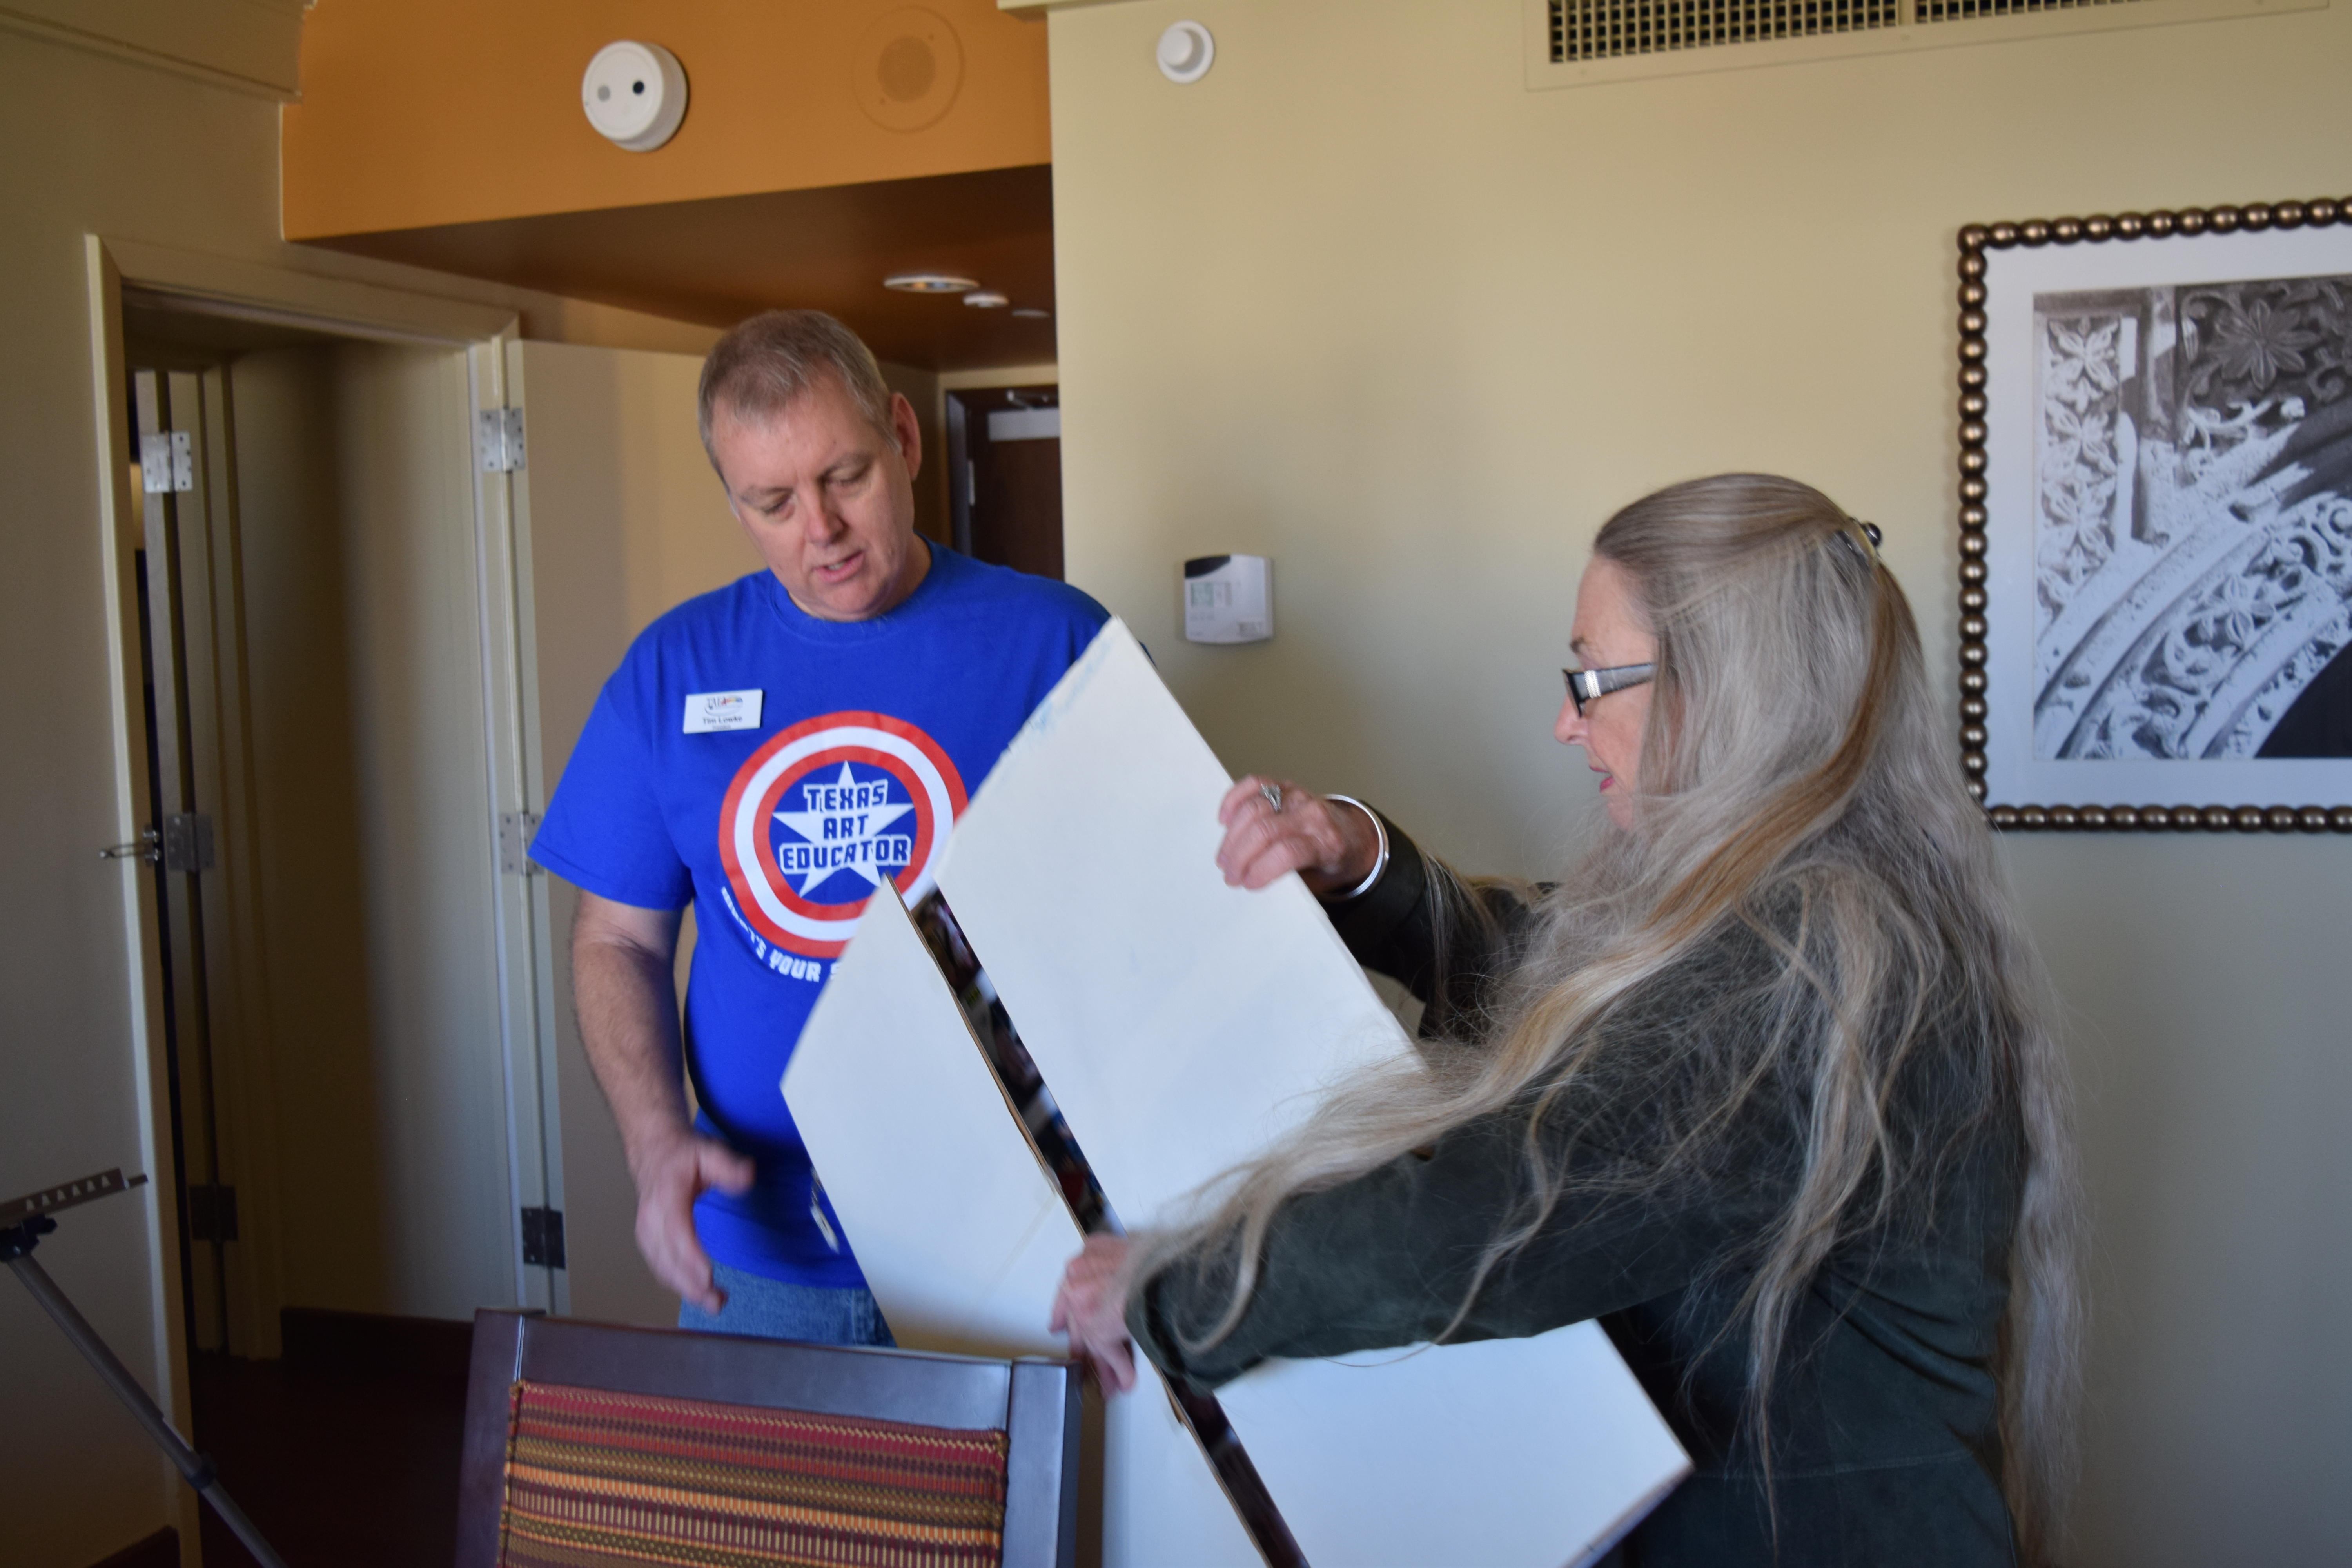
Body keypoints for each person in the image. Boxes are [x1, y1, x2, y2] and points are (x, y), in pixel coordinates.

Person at [1052, 475, 2082, 1565]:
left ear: (1725, 693)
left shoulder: (1804, 967)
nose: (1564, 722)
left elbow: (1492, 1210)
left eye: (1591, 680)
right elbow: (1569, 977)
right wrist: (1360, 864)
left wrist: (1172, 1289)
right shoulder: (1813, 908)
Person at [531, 310, 1107, 1343]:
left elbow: (1149, 926)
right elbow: (617, 940)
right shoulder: (672, 671)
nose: (822, 529)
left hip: (1020, 1240)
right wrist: (655, 1143)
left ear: (905, 437)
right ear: (735, 502)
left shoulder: (1058, 642)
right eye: (774, 502)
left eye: (845, 477)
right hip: (763, 1256)